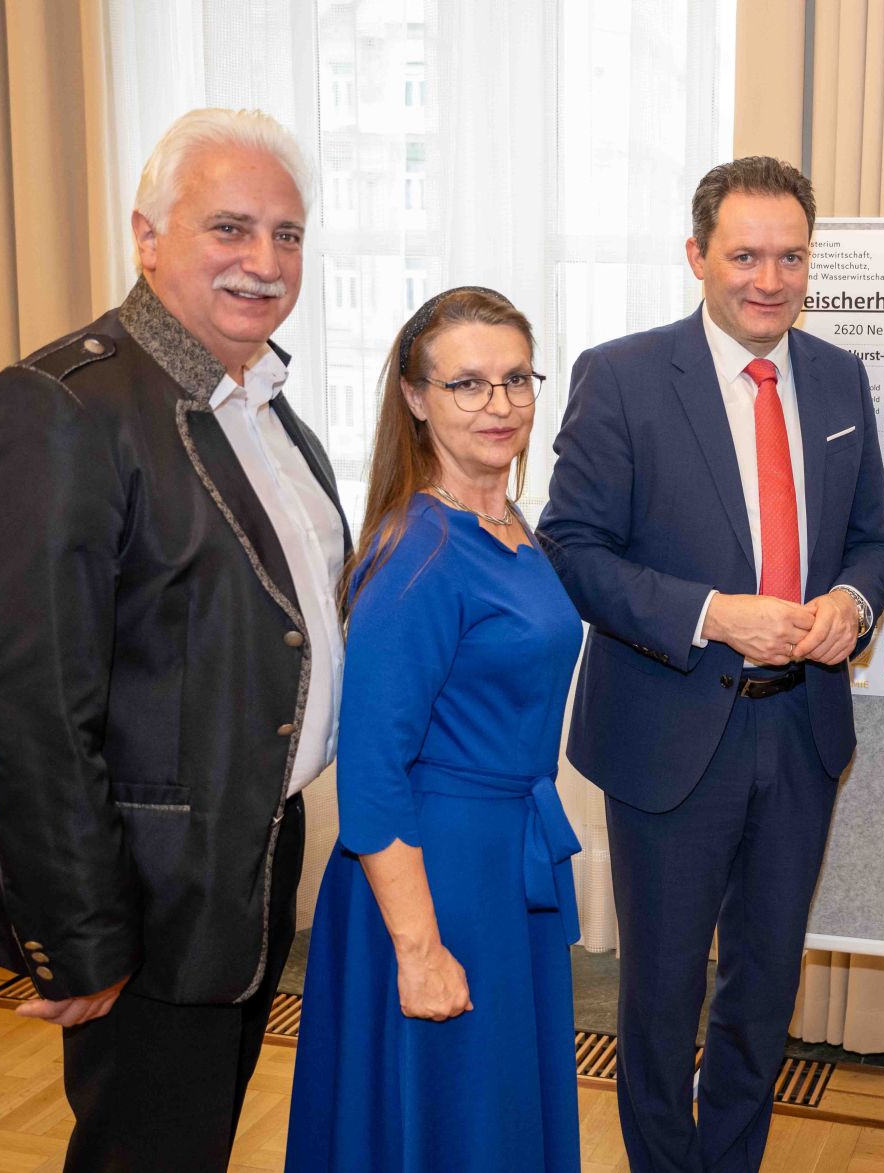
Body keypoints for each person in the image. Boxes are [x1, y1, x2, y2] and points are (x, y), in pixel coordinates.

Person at [0, 108, 345, 1170]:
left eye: (287, 234)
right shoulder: (62, 406)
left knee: (193, 1143)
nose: (263, 263)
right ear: (148, 236)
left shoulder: (263, 406)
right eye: (229, 228)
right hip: (145, 896)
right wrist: (77, 934)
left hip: (248, 866)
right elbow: (17, 696)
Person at [539, 156, 884, 1172]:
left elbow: (870, 538)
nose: (768, 280)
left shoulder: (836, 377)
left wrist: (850, 603)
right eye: (744, 255)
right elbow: (572, 548)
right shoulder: (621, 376)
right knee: (658, 993)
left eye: (789, 257)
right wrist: (709, 614)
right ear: (697, 255)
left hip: (802, 729)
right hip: (668, 730)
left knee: (763, 983)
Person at [284, 287, 583, 1171]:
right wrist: (418, 949)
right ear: (416, 397)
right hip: (435, 879)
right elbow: (371, 772)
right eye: (468, 385)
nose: (500, 404)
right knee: (451, 1123)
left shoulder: (505, 521)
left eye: (516, 379)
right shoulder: (419, 552)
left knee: (488, 1119)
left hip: (501, 863)